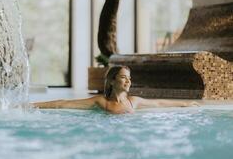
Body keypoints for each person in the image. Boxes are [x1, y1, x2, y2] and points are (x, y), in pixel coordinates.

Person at [25, 66, 199, 114]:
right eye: (124, 77)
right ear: (112, 81)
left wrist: (185, 103)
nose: (128, 81)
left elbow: (159, 103)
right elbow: (64, 104)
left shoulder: (133, 102)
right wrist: (33, 105)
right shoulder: (102, 102)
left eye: (129, 78)